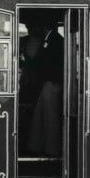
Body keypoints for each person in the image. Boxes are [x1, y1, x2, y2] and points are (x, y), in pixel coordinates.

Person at [28, 16, 64, 157]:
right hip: (49, 83)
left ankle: (51, 149)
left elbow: (46, 63)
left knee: (50, 117)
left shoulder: (54, 40)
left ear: (43, 27)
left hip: (52, 83)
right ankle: (41, 147)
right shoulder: (52, 39)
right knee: (42, 114)